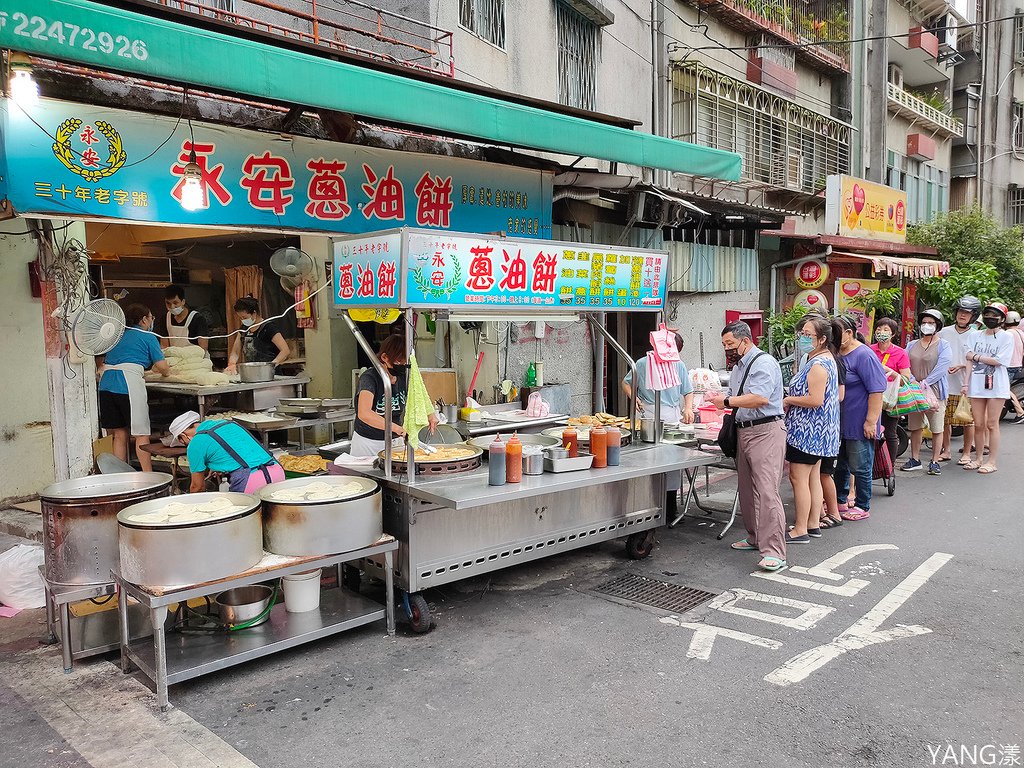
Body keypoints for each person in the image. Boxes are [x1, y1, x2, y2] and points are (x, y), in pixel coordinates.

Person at [709, 321, 787, 572]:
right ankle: (754, 537)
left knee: (766, 491)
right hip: (744, 431)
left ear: (746, 340)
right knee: (746, 489)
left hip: (765, 430)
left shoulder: (763, 363)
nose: (727, 349)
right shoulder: (737, 367)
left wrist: (726, 401)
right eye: (724, 345)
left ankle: (774, 550)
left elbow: (759, 398)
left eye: (730, 344)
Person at [782, 316, 842, 544]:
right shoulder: (823, 359)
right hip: (819, 432)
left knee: (798, 478)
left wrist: (789, 399)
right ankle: (812, 523)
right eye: (802, 334)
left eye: (808, 335)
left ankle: (800, 530)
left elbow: (815, 400)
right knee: (812, 478)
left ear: (822, 339)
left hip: (808, 432)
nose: (803, 338)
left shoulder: (818, 365)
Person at [97, 303, 170, 472]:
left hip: (106, 384)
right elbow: (163, 367)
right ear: (144, 319)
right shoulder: (148, 336)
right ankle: (148, 476)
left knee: (119, 434)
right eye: (151, 317)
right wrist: (166, 371)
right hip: (127, 384)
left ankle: (119, 476)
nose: (152, 321)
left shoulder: (115, 336)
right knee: (141, 433)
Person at [834, 315, 887, 521]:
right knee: (841, 463)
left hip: (860, 420)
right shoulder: (837, 353)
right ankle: (840, 498)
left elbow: (876, 390)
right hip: (840, 420)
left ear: (849, 333)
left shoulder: (864, 355)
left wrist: (870, 421)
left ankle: (863, 504)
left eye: (838, 334)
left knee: (861, 463)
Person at [350, 334, 438, 457]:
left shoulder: (404, 376)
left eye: (405, 362)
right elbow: (364, 414)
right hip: (368, 443)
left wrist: (430, 413)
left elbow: (419, 393)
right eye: (398, 361)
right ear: (385, 357)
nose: (401, 365)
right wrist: (397, 429)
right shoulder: (370, 378)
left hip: (395, 442)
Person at [169, 411, 284, 493]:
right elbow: (243, 451)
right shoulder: (229, 424)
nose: (185, 444)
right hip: (277, 471)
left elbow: (197, 487)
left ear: (183, 436)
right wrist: (221, 466)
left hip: (251, 481)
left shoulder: (195, 443)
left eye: (183, 442)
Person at [960, 303, 1014, 474]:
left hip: (996, 385)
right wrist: (966, 383)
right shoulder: (974, 336)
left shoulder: (1007, 337)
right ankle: (978, 459)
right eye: (988, 314)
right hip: (976, 383)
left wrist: (976, 356)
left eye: (995, 315)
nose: (991, 317)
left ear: (1002, 319)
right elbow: (968, 360)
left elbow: (1000, 361)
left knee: (992, 424)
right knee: (978, 424)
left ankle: (992, 461)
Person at [902, 309, 952, 475]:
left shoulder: (944, 345)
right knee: (915, 427)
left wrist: (925, 383)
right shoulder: (911, 344)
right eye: (924, 323)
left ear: (937, 325)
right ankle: (915, 459)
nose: (926, 326)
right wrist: (912, 381)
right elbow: (905, 364)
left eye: (930, 323)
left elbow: (942, 367)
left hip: (935, 391)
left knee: (937, 427)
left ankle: (935, 461)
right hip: (914, 390)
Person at [621, 330, 695, 425]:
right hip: (647, 413)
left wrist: (688, 408)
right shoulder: (642, 363)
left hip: (671, 415)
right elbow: (626, 383)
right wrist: (634, 398)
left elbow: (688, 391)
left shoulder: (678, 364)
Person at [938, 295, 980, 463]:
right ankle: (946, 450)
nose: (963, 315)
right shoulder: (943, 332)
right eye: (961, 312)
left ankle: (967, 453)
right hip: (945, 383)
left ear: (973, 316)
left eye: (967, 313)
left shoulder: (977, 335)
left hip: (967, 384)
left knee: (968, 421)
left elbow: (980, 359)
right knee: (945, 419)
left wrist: (962, 366)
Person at [869, 317, 911, 468]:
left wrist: (889, 371)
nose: (881, 333)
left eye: (886, 330)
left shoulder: (900, 353)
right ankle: (871, 465)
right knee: (870, 430)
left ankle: (889, 467)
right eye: (879, 329)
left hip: (890, 400)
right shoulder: (869, 350)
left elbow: (905, 379)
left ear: (893, 334)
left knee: (890, 432)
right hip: (870, 396)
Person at [226, 296, 290, 373]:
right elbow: (236, 351)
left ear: (254, 313)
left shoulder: (269, 328)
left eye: (244, 317)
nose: (242, 320)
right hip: (251, 373)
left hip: (270, 374)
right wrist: (232, 364)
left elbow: (285, 351)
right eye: (240, 318)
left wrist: (270, 366)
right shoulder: (244, 329)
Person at [157, 284, 209, 352]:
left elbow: (203, 347)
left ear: (183, 301)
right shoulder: (165, 319)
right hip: (174, 358)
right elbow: (164, 346)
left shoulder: (198, 319)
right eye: (168, 303)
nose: (172, 307)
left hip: (195, 359)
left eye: (175, 303)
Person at [1003, 310, 1024, 424]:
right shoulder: (1021, 332)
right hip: (1018, 364)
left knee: (1004, 388)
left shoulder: (1007, 333)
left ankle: (1020, 412)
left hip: (1009, 365)